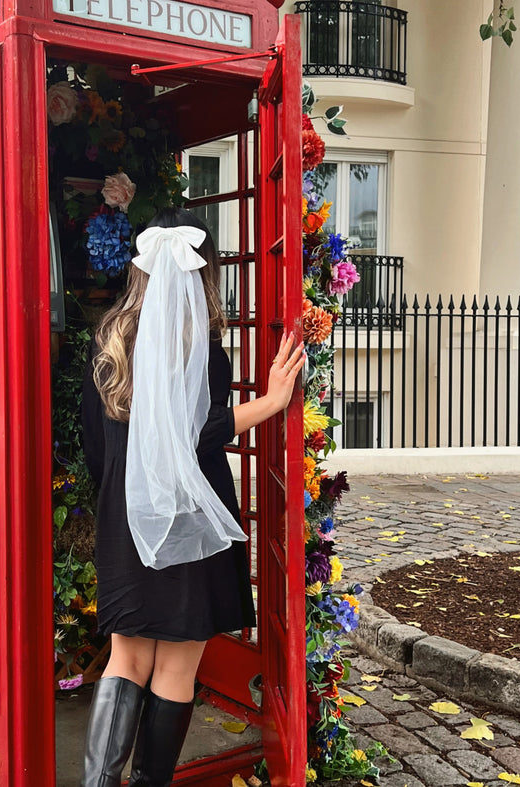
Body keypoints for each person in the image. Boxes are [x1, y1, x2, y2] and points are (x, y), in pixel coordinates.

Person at [80, 206, 305, 787]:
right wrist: (271, 403)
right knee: (178, 666)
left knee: (126, 659)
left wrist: (121, 499)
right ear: (203, 273)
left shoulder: (108, 344)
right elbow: (196, 432)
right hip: (193, 517)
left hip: (128, 515)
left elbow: (97, 450)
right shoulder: (205, 350)